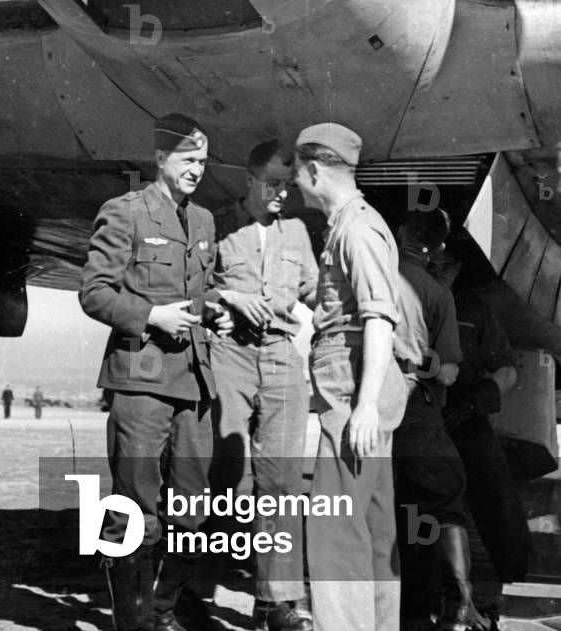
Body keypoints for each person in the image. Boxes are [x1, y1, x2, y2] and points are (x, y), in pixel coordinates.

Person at [79, 114, 232, 631]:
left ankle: (162, 610)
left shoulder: (205, 221)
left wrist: (216, 308)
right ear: (161, 159)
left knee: (193, 513)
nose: (197, 171)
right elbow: (95, 292)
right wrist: (150, 317)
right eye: (189, 161)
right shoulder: (125, 213)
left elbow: (199, 289)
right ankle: (135, 622)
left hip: (193, 382)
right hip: (139, 381)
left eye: (204, 163)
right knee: (133, 509)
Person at [292, 123, 407, 631]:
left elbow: (379, 319)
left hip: (354, 394)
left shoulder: (357, 229)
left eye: (298, 174)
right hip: (360, 390)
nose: (295, 184)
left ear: (315, 171)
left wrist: (363, 406)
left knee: (336, 531)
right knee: (373, 531)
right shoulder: (350, 226)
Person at [202, 140, 317, 631]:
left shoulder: (297, 232)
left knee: (283, 484)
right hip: (231, 353)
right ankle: (192, 589)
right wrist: (225, 298)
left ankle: (276, 604)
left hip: (282, 359)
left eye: (287, 186)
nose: (280, 194)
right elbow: (190, 285)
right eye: (272, 184)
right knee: (224, 474)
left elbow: (319, 290)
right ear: (248, 180)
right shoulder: (215, 224)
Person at [392, 210, 489, 631]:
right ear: (437, 249)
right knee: (444, 497)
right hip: (417, 411)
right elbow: (448, 371)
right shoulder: (436, 293)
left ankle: (411, 613)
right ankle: (458, 604)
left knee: (405, 513)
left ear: (400, 234)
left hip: (372, 412)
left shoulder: (373, 279)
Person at [433, 240, 531, 587]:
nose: (439, 273)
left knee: (498, 498)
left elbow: (508, 370)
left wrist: (474, 402)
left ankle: (508, 579)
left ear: (458, 269)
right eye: (432, 265)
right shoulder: (406, 302)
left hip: (468, 415)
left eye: (447, 267)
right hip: (421, 416)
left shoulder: (472, 309)